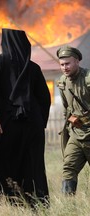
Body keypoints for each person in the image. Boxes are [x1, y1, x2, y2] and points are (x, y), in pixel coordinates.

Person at [0, 29, 51, 207]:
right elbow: (44, 99)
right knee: (31, 165)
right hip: (32, 125)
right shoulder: (33, 68)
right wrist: (40, 122)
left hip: (5, 124)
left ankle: (0, 200)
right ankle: (35, 204)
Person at [56, 45, 90, 195]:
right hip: (76, 133)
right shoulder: (62, 82)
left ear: (77, 61)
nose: (65, 67)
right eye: (62, 64)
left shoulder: (88, 79)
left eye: (68, 63)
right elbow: (66, 109)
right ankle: (68, 207)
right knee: (68, 167)